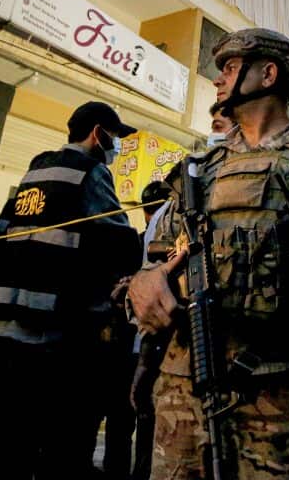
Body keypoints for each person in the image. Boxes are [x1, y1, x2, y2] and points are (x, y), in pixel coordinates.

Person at [127, 28, 289, 480]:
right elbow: (156, 264)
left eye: (230, 68)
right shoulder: (197, 171)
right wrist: (143, 292)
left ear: (267, 74)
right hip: (182, 399)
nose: (218, 80)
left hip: (285, 400)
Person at [0, 101, 141, 479]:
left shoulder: (35, 169)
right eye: (116, 138)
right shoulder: (91, 171)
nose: (117, 148)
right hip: (45, 334)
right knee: (35, 446)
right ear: (99, 133)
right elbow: (119, 243)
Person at [130, 179, 173, 480]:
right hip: (158, 345)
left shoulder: (159, 222)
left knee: (145, 422)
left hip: (147, 343)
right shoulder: (170, 216)